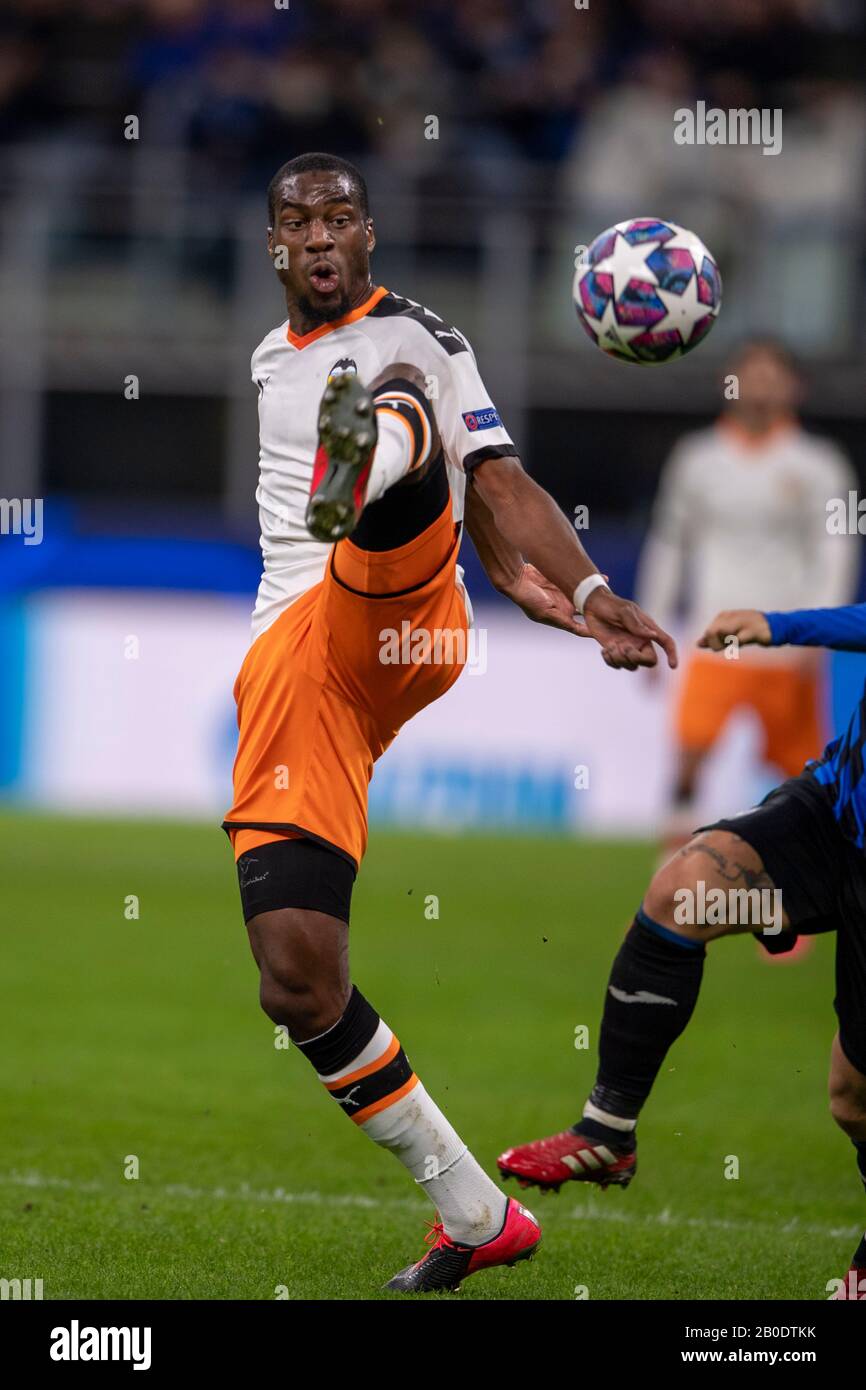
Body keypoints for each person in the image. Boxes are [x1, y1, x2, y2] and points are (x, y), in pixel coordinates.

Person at [221, 151, 677, 1293]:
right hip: (295, 669)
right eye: (295, 223)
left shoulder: (421, 332)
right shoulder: (268, 358)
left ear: (368, 234)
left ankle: (367, 453)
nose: (317, 237)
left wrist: (578, 590)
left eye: (336, 218)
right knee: (295, 976)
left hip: (391, 610)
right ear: (274, 246)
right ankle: (473, 1213)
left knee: (403, 411)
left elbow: (505, 482)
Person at [499, 602, 866, 1299]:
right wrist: (777, 624)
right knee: (684, 890)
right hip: (839, 812)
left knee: (853, 1098)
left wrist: (785, 626)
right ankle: (607, 1132)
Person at [636, 339, 857, 853]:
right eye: (749, 373)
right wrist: (651, 620)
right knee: (689, 757)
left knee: (799, 779)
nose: (760, 384)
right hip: (715, 638)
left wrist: (817, 632)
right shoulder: (698, 459)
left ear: (794, 386)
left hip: (786, 644)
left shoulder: (818, 464)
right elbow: (670, 543)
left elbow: (836, 549)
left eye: (772, 374)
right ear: (728, 383)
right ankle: (671, 892)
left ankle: (792, 912)